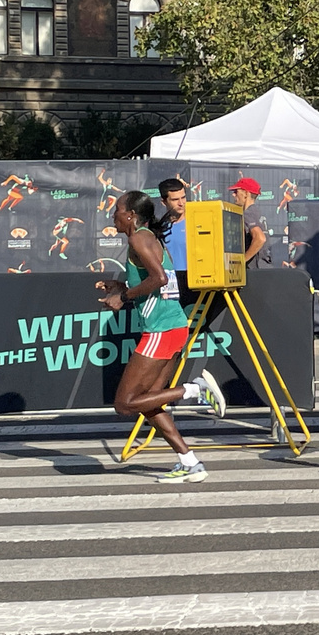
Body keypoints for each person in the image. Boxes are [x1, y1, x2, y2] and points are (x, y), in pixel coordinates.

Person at [95, 190, 225, 485]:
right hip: (174, 326)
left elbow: (160, 279)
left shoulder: (137, 238)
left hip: (160, 329)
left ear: (130, 215)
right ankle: (190, 463)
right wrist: (118, 284)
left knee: (125, 404)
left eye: (116, 210)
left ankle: (194, 391)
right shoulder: (149, 237)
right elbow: (154, 280)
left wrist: (123, 297)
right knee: (149, 403)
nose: (112, 215)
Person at [158, 177, 190, 299]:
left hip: (194, 285)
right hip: (169, 288)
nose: (181, 203)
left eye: (183, 197)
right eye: (175, 200)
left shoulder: (196, 222)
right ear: (164, 202)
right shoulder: (159, 228)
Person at [229, 177, 269, 265]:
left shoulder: (247, 214)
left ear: (246, 194)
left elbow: (260, 238)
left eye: (236, 192)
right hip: (264, 266)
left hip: (255, 270)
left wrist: (242, 260)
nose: (233, 195)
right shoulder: (257, 212)